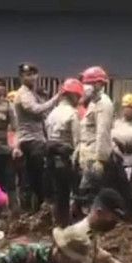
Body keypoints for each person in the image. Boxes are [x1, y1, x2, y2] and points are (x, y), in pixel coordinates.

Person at [14, 63, 60, 212]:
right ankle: (29, 212)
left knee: (37, 178)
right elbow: (35, 110)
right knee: (31, 179)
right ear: (21, 77)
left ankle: (37, 210)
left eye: (34, 74)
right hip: (29, 140)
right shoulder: (23, 93)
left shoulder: (33, 93)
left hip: (37, 139)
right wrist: (56, 98)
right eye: (28, 74)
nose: (32, 77)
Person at [45, 78, 83, 227]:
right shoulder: (72, 114)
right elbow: (77, 141)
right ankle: (68, 225)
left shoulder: (52, 114)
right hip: (66, 158)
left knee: (58, 194)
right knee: (70, 193)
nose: (79, 100)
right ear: (73, 95)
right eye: (78, 97)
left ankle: (58, 223)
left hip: (51, 159)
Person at [76, 66, 114, 213]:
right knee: (84, 193)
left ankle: (93, 229)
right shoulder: (92, 103)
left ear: (98, 85)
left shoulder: (104, 104)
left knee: (90, 194)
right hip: (87, 155)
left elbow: (102, 132)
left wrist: (100, 159)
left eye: (88, 83)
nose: (84, 87)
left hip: (94, 156)